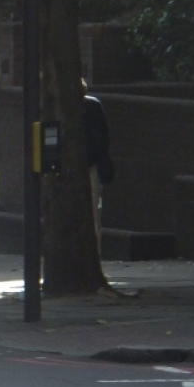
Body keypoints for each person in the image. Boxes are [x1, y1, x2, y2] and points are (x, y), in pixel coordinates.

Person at [83, 79, 115, 255]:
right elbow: (103, 137)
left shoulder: (91, 107)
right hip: (92, 164)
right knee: (94, 211)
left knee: (93, 211)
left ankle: (92, 255)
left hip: (90, 164)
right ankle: (94, 254)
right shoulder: (94, 106)